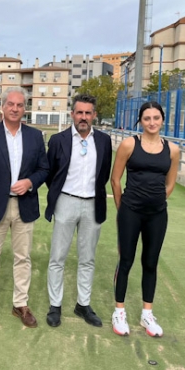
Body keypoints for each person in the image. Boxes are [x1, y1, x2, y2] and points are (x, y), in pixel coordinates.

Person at [0, 87, 49, 328]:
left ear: (25, 108)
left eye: (20, 105)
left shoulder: (35, 136)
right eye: (11, 104)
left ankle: (20, 304)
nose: (15, 108)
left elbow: (44, 169)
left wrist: (30, 182)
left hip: (24, 206)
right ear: (3, 107)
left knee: (22, 258)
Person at [110, 101, 179, 338]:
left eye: (156, 118)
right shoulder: (129, 144)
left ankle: (147, 314)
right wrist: (123, 209)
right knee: (126, 261)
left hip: (157, 215)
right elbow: (116, 180)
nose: (152, 122)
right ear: (140, 121)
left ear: (162, 120)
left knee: (150, 263)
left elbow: (170, 182)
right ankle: (119, 312)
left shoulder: (172, 150)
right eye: (147, 118)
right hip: (130, 211)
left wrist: (157, 201)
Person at [44, 94, 112, 328]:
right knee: (57, 257)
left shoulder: (103, 141)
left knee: (87, 258)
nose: (83, 117)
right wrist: (62, 194)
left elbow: (104, 173)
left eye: (88, 113)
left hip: (93, 204)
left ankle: (83, 304)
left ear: (94, 115)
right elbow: (50, 173)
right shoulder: (58, 140)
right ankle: (55, 305)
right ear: (72, 114)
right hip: (66, 201)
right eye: (79, 112)